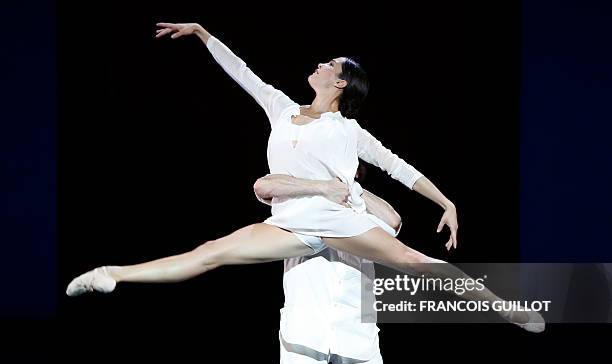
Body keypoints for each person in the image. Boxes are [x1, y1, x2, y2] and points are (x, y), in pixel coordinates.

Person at [66, 22, 544, 332]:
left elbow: (401, 168)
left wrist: (447, 203)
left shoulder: (349, 130)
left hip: (340, 218)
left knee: (416, 262)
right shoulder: (281, 108)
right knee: (210, 254)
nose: (319, 64)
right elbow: (243, 73)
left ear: (340, 84)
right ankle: (110, 274)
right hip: (290, 222)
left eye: (329, 65)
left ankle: (506, 308)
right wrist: (203, 34)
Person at [258, 174, 403, 364]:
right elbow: (263, 186)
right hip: (305, 328)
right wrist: (320, 184)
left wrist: (351, 188)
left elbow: (393, 223)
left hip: (356, 329)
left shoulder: (360, 207)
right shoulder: (298, 200)